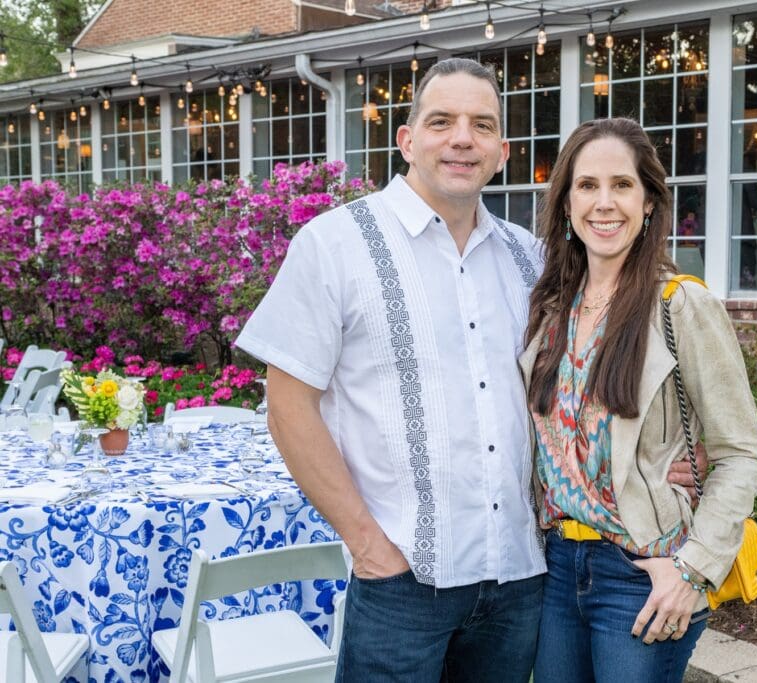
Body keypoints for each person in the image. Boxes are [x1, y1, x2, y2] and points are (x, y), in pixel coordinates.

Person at [235, 58, 547, 682]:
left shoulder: (529, 257)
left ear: (503, 152)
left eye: (482, 125)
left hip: (518, 578)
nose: (463, 139)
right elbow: (289, 408)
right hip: (401, 581)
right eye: (442, 121)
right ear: (406, 140)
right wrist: (369, 546)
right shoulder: (334, 244)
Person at [521, 117, 757, 682]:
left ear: (649, 201)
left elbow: (741, 454)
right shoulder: (552, 309)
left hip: (642, 575)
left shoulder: (680, 305)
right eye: (587, 185)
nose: (604, 203)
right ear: (566, 203)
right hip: (555, 567)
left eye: (622, 185)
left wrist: (692, 570)